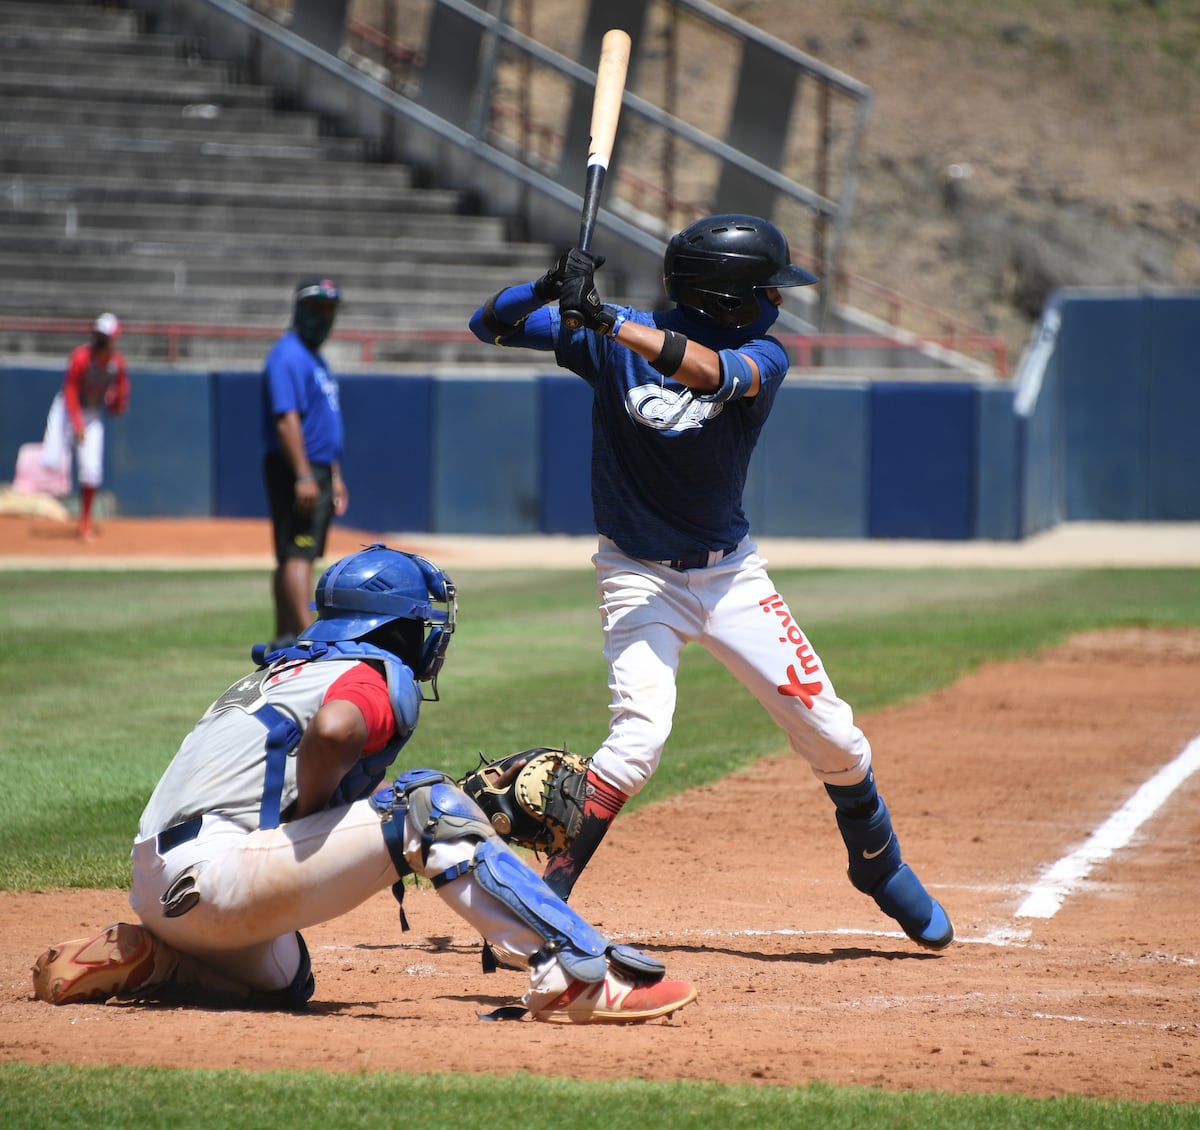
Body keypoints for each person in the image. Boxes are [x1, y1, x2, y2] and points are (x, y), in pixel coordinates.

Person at [467, 213, 953, 950]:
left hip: (730, 577)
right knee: (636, 744)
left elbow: (712, 375)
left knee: (838, 740)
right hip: (635, 576)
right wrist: (548, 285)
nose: (778, 300)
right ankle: (543, 901)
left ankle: (877, 865)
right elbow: (488, 325)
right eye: (767, 287)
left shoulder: (763, 354)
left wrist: (605, 320)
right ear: (727, 295)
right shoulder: (611, 334)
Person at [31, 543, 697, 1023]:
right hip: (220, 875)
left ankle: (158, 958)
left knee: (289, 983)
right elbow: (336, 730)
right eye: (425, 620)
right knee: (427, 805)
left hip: (163, 882)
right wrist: (313, 821)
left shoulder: (284, 669)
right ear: (399, 626)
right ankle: (572, 974)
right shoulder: (373, 670)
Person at [262, 276, 349, 650]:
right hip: (298, 469)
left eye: (328, 309)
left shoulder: (314, 358)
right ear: (298, 309)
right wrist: (302, 475)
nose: (323, 316)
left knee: (297, 554)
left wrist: (334, 474)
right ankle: (311, 641)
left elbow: (319, 422)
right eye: (315, 308)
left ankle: (285, 638)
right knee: (299, 554)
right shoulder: (288, 355)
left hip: (315, 468)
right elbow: (287, 419)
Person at [39, 312, 130, 540]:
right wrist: (77, 424)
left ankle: (85, 523)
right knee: (50, 462)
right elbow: (70, 389)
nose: (100, 339)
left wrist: (117, 402)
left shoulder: (116, 365)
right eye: (98, 334)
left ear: (114, 338)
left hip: (91, 413)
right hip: (67, 410)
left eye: (104, 335)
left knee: (91, 471)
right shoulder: (81, 357)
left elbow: (119, 400)